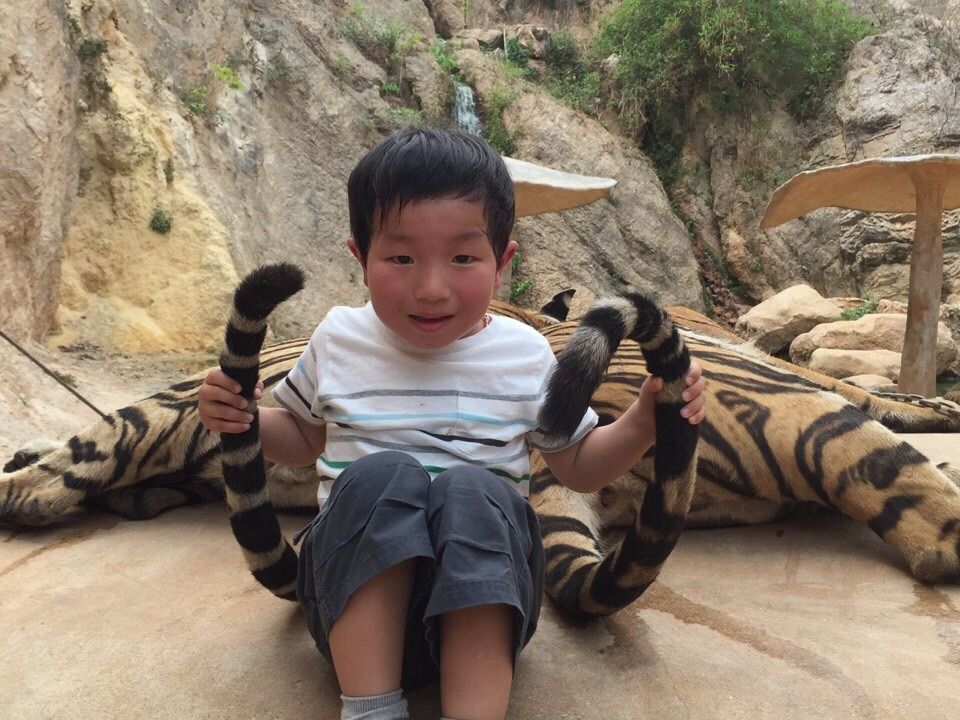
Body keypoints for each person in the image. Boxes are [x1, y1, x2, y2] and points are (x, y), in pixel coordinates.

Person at [198, 127, 706, 720]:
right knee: (381, 477)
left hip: (487, 601)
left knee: (476, 491)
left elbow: (578, 466)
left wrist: (644, 420)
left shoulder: (523, 353)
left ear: (502, 262)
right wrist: (245, 419)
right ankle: (370, 709)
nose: (432, 288)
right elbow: (305, 439)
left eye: (463, 258)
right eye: (401, 258)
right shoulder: (339, 337)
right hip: (351, 605)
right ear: (361, 259)